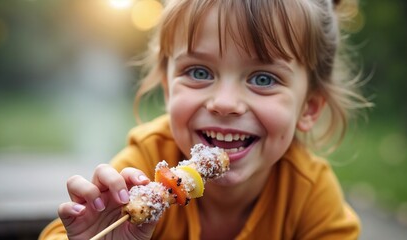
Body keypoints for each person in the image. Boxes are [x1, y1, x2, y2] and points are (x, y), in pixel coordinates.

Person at [40, 0, 372, 239]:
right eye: (199, 72)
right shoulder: (144, 166)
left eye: (263, 78)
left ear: (309, 108)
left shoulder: (309, 195)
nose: (225, 103)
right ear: (169, 90)